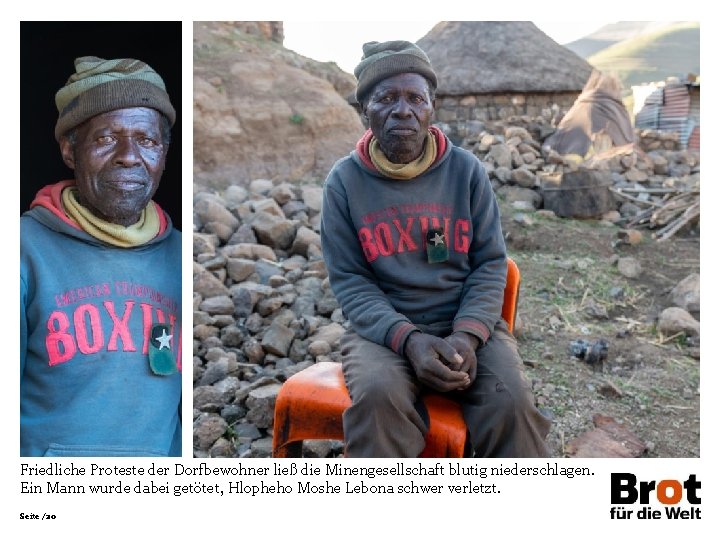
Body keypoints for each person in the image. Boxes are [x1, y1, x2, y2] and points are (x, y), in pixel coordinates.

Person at [320, 41, 551, 458]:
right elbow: (352, 283)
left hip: (465, 323)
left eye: (415, 98)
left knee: (511, 402)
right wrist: (409, 341)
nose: (402, 110)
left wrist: (468, 335)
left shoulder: (466, 172)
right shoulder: (344, 183)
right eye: (386, 98)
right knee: (376, 399)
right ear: (365, 110)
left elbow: (490, 264)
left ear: (432, 107)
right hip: (383, 334)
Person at [20, 56, 182, 457]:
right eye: (106, 138)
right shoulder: (23, 251)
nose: (129, 156)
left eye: (147, 140)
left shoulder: (180, 253)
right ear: (69, 151)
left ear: (163, 153)